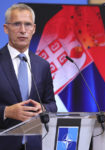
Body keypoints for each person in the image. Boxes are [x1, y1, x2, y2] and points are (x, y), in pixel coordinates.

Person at [0, 3, 57, 150]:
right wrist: (6, 112)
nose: (23, 30)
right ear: (6, 28)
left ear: (34, 29)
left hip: (35, 144)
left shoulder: (42, 65)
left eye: (27, 24)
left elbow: (52, 105)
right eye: (17, 24)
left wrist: (43, 109)